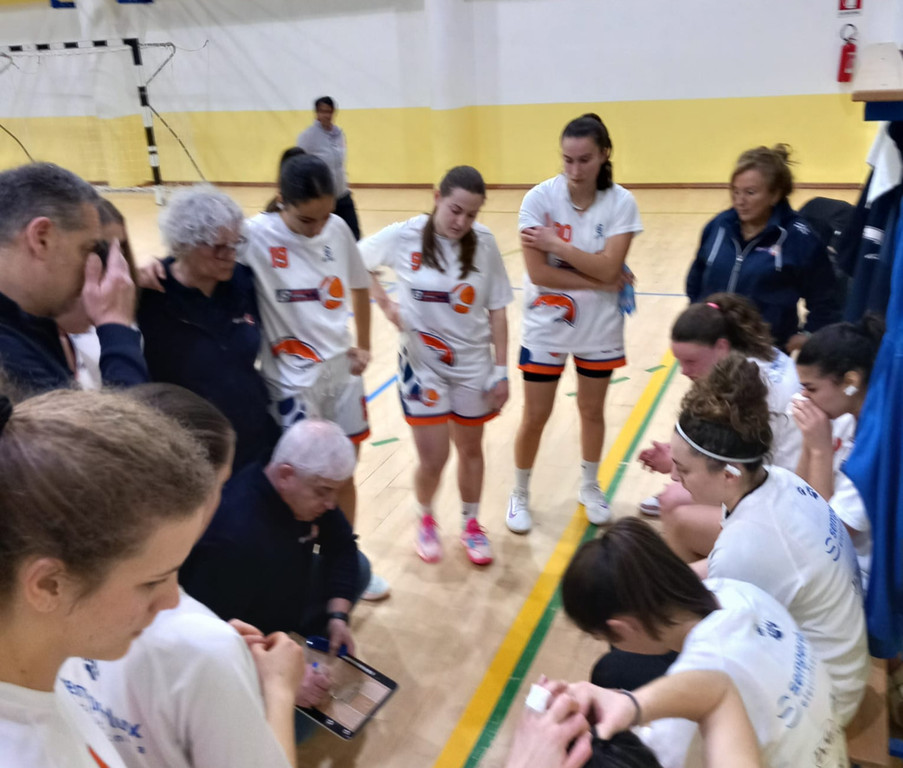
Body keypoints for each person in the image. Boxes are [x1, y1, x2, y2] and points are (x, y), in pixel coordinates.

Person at [57, 383, 311, 768]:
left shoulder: (46, 596)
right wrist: (278, 689)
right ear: (197, 493)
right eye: (222, 484)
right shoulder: (204, 646)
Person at [0, 388, 219, 767]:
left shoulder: (33, 682)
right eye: (152, 582)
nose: (170, 602)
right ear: (49, 585)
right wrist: (278, 696)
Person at [671, 353, 869, 725]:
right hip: (840, 663)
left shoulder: (747, 547)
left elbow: (714, 640)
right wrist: (668, 579)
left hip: (826, 701)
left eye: (683, 470)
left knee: (639, 666)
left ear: (729, 474)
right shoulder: (777, 481)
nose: (673, 479)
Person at [560, 518, 846, 768]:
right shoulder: (735, 591)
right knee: (616, 668)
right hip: (827, 746)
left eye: (602, 636)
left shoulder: (688, 711)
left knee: (611, 672)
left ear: (623, 627)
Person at [242, 152, 387, 600]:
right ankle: (298, 571)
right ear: (281, 200)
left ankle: (345, 561)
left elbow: (360, 283)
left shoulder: (336, 228)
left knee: (341, 476)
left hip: (340, 374)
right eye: (307, 219)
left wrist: (364, 343)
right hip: (291, 384)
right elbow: (194, 256)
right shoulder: (253, 235)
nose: (318, 227)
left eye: (326, 215)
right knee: (298, 485)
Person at [362, 166, 513, 565]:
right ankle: (426, 518)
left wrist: (501, 371)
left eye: (471, 215)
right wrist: (386, 304)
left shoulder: (484, 244)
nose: (462, 222)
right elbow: (355, 261)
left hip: (472, 365)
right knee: (434, 458)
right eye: (455, 210)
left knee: (471, 449)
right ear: (436, 198)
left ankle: (471, 524)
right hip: (421, 366)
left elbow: (498, 310)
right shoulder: (403, 236)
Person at [507, 114, 643, 533]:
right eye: (568, 160)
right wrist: (599, 278)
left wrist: (556, 245)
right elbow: (540, 274)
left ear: (604, 155)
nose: (575, 170)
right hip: (546, 324)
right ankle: (520, 493)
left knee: (592, 410)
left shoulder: (621, 203)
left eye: (584, 160)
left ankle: (589, 485)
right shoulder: (538, 200)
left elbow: (610, 268)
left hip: (599, 328)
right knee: (535, 414)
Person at [179, 418, 370, 654]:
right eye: (324, 491)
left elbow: (343, 545)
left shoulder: (305, 487)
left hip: (280, 593)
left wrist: (338, 617)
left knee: (359, 567)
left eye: (336, 492)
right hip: (242, 623)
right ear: (285, 475)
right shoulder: (234, 538)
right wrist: (281, 664)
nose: (331, 504)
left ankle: (313, 639)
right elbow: (213, 636)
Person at [637, 293, 800, 562]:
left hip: (787, 502)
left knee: (675, 506)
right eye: (680, 361)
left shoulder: (756, 387)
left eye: (691, 361)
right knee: (678, 495)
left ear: (722, 347)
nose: (683, 371)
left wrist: (678, 466)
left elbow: (745, 469)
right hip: (789, 483)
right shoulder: (758, 360)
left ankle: (713, 577)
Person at [137, 186, 280, 473]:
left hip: (253, 435)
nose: (230, 255)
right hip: (190, 447)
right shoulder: (149, 294)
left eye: (235, 244)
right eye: (218, 247)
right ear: (184, 244)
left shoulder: (243, 281)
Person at [0, 162, 147, 392]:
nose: (91, 265)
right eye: (87, 249)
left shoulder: (26, 325)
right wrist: (115, 326)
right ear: (41, 239)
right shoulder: (10, 357)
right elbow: (129, 416)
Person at [686, 144, 840, 352]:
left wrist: (808, 335)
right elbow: (696, 279)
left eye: (750, 193)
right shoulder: (718, 226)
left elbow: (826, 300)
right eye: (735, 192)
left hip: (765, 354)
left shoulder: (799, 239)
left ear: (775, 194)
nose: (740, 201)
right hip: (712, 348)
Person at [793, 315, 885, 592]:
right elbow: (796, 495)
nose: (804, 397)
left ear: (850, 381)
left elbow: (832, 537)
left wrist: (821, 450)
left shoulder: (878, 443)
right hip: (825, 557)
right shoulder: (842, 416)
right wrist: (811, 443)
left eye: (811, 388)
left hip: (859, 577)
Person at [57, 199, 139, 390]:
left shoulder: (126, 290)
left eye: (121, 248)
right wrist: (115, 326)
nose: (116, 263)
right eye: (100, 250)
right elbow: (127, 403)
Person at [296, 96, 361, 239]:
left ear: (334, 112)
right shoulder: (307, 137)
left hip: (342, 194)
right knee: (325, 239)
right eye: (322, 111)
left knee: (354, 235)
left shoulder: (339, 133)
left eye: (329, 111)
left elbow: (339, 164)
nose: (326, 115)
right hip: (322, 199)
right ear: (316, 113)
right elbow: (298, 166)